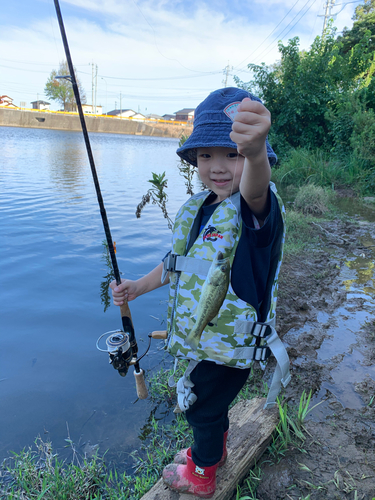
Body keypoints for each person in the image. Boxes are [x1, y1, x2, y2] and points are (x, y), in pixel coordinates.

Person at [110, 87, 290, 498]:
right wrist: (138, 286)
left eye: (232, 154)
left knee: (198, 405)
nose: (218, 166)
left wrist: (256, 152)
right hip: (205, 339)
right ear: (194, 160)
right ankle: (215, 449)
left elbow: (256, 190)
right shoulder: (198, 209)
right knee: (210, 402)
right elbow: (177, 264)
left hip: (230, 346)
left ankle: (203, 474)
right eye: (206, 155)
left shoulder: (256, 211)